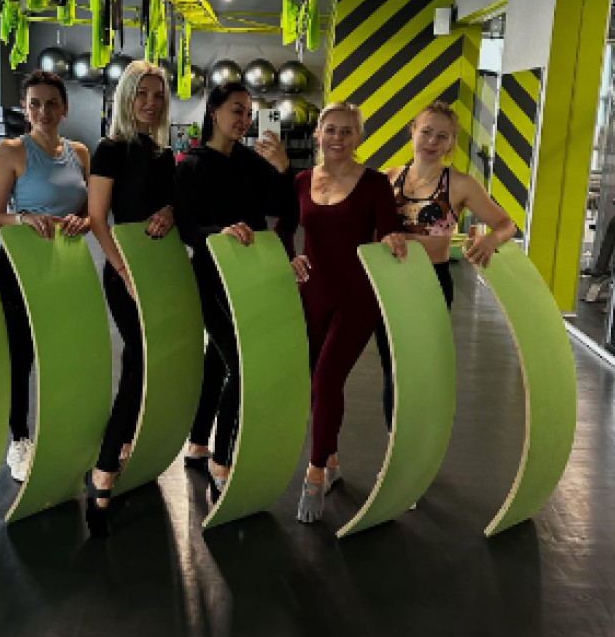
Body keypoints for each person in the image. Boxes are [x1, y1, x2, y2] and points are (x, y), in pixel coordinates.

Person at [276, 101, 407, 524]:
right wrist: (291, 257)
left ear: (359, 137)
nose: (338, 138)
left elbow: (388, 229)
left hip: (358, 297)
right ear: (317, 134)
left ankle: (314, 474)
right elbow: (283, 228)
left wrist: (392, 239)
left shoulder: (375, 184)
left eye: (347, 131)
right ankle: (331, 460)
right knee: (317, 384)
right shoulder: (301, 181)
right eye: (331, 129)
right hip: (314, 293)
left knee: (327, 378)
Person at [173, 80, 294, 501]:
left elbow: (282, 208)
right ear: (214, 111)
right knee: (242, 364)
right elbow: (186, 226)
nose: (244, 119)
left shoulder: (251, 162)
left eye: (248, 112)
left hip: (250, 277)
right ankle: (221, 459)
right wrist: (218, 234)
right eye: (236, 110)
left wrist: (283, 169)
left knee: (218, 360)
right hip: (210, 277)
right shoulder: (191, 165)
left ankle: (197, 443)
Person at [377, 100, 517, 428]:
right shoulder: (388, 178)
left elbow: (506, 224)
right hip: (389, 283)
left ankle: (421, 437)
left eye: (442, 136)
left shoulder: (460, 184)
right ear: (412, 132)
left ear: (451, 143)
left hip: (432, 284)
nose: (432, 141)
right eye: (426, 132)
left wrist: (489, 241)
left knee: (422, 367)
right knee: (391, 366)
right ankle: (395, 440)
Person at [0, 70, 90, 482]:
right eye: (34, 104)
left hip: (63, 266)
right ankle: (19, 440)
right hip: (18, 268)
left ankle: (60, 432)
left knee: (63, 354)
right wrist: (23, 217)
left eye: (51, 103)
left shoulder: (79, 152)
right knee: (21, 357)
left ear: (64, 108)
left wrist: (81, 222)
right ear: (25, 109)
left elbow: (87, 211)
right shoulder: (12, 150)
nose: (43, 111)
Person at [85, 61, 175, 535]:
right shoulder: (110, 150)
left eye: (158, 95)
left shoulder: (164, 153)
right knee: (139, 361)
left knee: (149, 362)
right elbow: (98, 218)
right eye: (142, 94)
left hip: (160, 272)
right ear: (126, 97)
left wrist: (171, 210)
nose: (150, 103)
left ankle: (125, 446)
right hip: (125, 273)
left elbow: (174, 203)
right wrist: (123, 271)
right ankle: (104, 467)